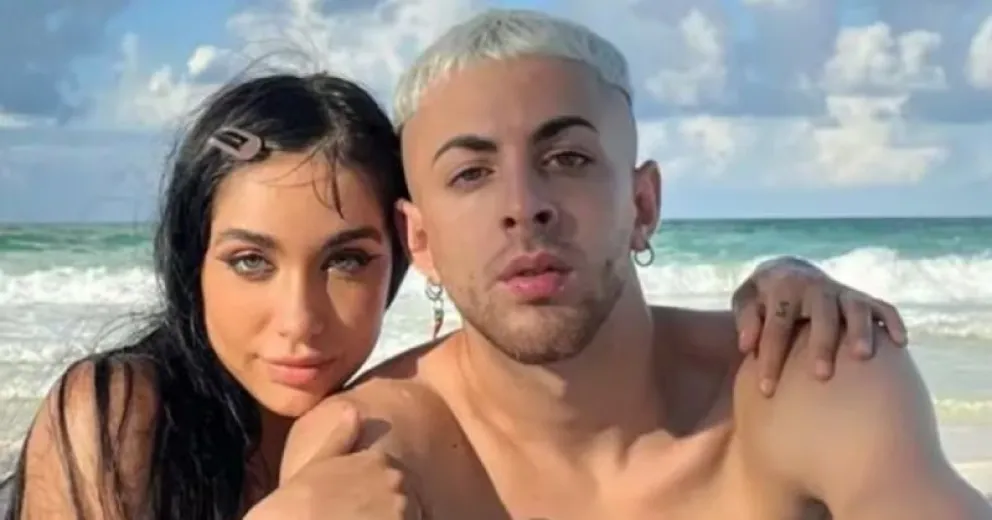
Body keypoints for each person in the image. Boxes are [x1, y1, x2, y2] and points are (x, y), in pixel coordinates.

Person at [3, 68, 906, 520]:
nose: (300, 321)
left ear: (410, 253)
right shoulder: (121, 416)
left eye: (347, 261)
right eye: (250, 262)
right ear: (191, 263)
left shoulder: (395, 429)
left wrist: (790, 275)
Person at [275, 9, 992, 520]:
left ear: (643, 202)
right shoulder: (371, 452)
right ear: (420, 240)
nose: (524, 206)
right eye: (471, 174)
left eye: (568, 158)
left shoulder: (808, 375)